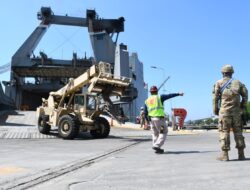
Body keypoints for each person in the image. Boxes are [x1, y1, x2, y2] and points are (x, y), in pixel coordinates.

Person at [213, 64, 248, 161]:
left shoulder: (218, 83)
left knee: (224, 132)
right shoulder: (238, 83)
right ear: (232, 72)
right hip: (237, 112)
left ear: (223, 73)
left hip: (224, 112)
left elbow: (215, 98)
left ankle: (225, 155)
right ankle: (241, 155)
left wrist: (215, 110)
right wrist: (242, 106)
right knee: (238, 132)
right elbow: (245, 95)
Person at [144, 85, 184, 154]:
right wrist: (178, 94)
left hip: (152, 121)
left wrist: (147, 122)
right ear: (157, 91)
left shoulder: (147, 101)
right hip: (159, 120)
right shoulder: (160, 97)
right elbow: (169, 95)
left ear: (150, 92)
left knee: (155, 133)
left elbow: (145, 113)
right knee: (163, 132)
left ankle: (157, 147)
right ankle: (157, 145)